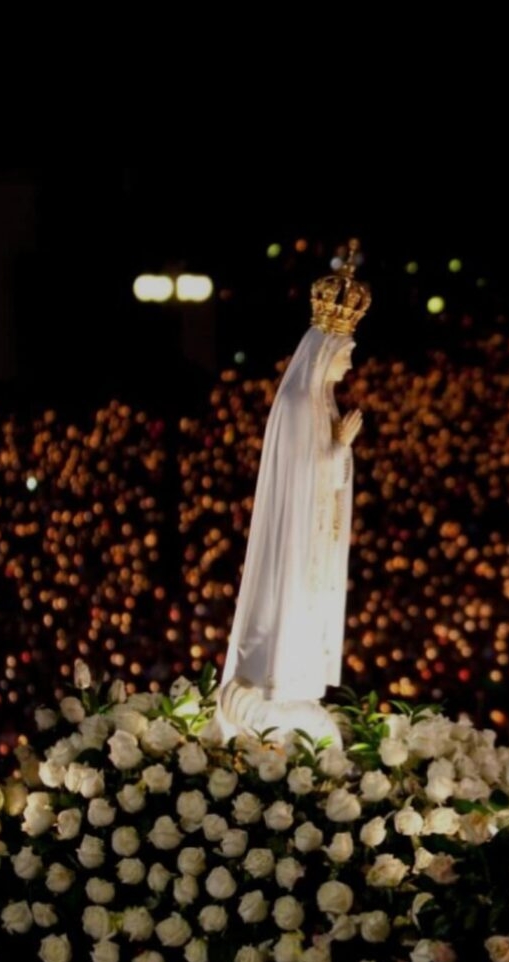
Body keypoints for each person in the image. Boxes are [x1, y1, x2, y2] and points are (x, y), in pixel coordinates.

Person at [212, 244, 370, 747]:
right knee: (290, 605)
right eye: (344, 357)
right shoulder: (301, 403)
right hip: (295, 538)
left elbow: (325, 474)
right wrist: (337, 448)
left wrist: (338, 453)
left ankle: (296, 681)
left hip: (315, 539)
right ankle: (275, 682)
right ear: (324, 352)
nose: (348, 367)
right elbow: (299, 476)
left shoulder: (320, 402)